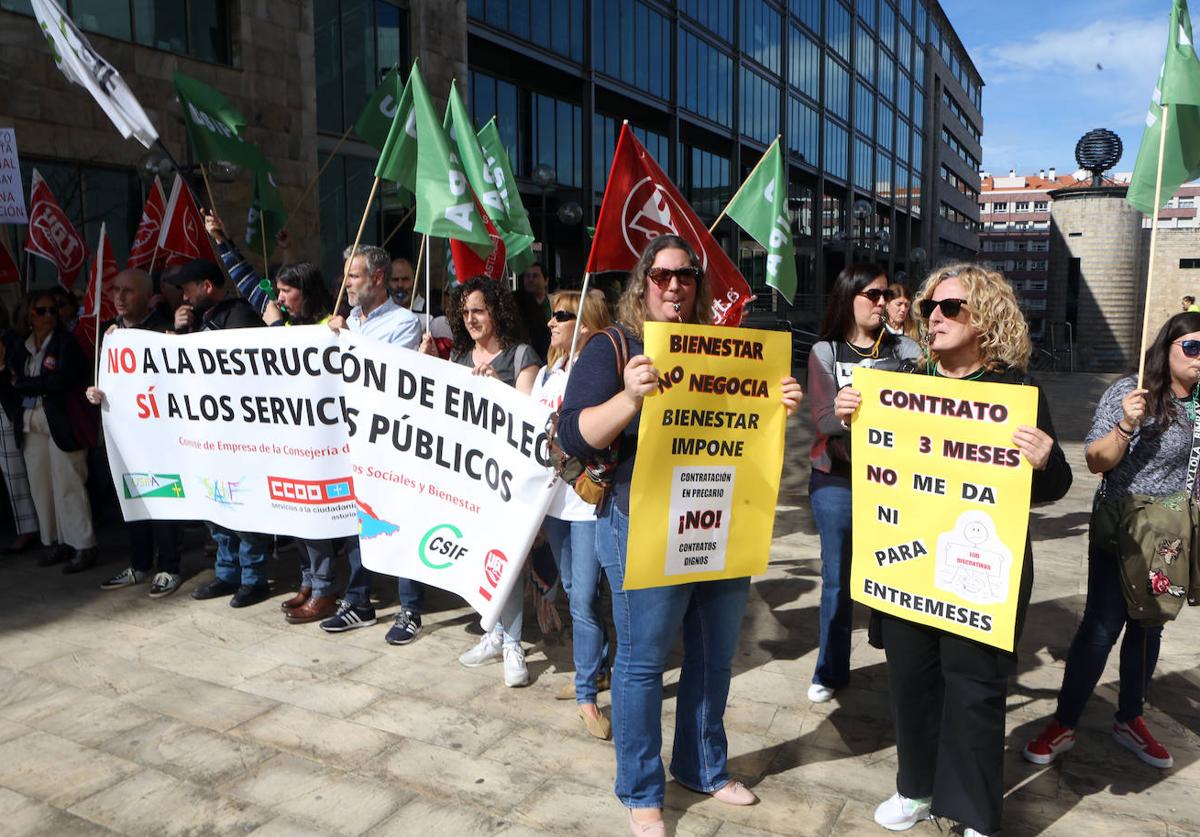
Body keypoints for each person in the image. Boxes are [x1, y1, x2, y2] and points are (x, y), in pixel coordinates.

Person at [557, 235, 803, 835]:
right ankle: (641, 790)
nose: (675, 286)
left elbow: (745, 425)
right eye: (663, 275)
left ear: (699, 285)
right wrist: (629, 397)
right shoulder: (610, 346)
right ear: (643, 283)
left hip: (722, 519)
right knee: (642, 664)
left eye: (686, 276)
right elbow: (572, 435)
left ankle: (701, 768)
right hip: (641, 518)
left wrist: (779, 403)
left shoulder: (728, 349)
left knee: (715, 657)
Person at [834, 263, 1072, 836]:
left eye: (950, 308)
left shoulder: (1016, 392)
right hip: (908, 567)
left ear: (984, 319)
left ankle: (971, 811)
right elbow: (876, 467)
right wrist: (850, 425)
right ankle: (915, 788)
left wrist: (1047, 459)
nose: (933, 318)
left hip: (979, 571)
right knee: (911, 685)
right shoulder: (899, 382)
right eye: (928, 308)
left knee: (974, 691)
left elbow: (1052, 488)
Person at [1023, 311, 1200, 772]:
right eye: (1193, 347)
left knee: (1150, 627)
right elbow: (1095, 461)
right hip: (1121, 527)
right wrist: (1125, 425)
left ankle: (1130, 717)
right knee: (1102, 627)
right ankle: (1063, 721)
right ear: (1167, 348)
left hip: (1171, 535)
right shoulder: (1131, 391)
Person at [805, 265, 920, 704]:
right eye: (872, 295)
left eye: (885, 294)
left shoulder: (907, 349)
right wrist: (842, 411)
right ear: (849, 297)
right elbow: (822, 419)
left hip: (893, 480)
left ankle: (897, 659)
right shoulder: (826, 351)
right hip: (837, 478)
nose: (881, 302)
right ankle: (829, 669)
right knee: (837, 578)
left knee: (897, 570)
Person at [323, 244, 425, 644]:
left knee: (398, 520)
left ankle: (411, 608)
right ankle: (359, 602)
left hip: (391, 442)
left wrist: (346, 339)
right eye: (347, 277)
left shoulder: (404, 322)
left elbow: (386, 374)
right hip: (351, 440)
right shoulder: (347, 321)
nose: (346, 284)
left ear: (377, 279)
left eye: (354, 276)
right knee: (358, 520)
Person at [446, 275, 542, 686]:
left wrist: (495, 388)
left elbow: (528, 417)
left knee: (510, 561)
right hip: (472, 478)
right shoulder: (459, 359)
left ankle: (513, 645)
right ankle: (495, 632)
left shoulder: (522, 356)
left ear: (496, 310)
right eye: (465, 312)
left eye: (478, 310)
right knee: (483, 554)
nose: (471, 319)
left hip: (510, 480)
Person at [167, 259, 275, 608]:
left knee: (242, 505)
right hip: (206, 435)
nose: (183, 296)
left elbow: (233, 370)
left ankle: (253, 578)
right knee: (213, 504)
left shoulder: (239, 316)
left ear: (207, 287)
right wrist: (180, 336)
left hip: (239, 436)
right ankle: (226, 572)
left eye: (187, 288)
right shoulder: (199, 321)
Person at [532, 290, 615, 737]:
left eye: (560, 316)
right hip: (553, 503)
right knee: (571, 591)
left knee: (583, 598)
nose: (551, 323)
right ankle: (595, 671)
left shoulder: (596, 372)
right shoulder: (550, 371)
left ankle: (587, 696)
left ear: (586, 323)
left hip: (585, 502)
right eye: (551, 316)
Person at [86, 270, 183, 597]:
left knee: (163, 498)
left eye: (128, 291)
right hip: (124, 436)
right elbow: (108, 381)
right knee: (134, 498)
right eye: (116, 290)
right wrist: (96, 392)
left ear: (145, 295)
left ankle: (169, 566)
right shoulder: (109, 334)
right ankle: (140, 564)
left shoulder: (162, 329)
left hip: (160, 434)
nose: (119, 297)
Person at [0, 290, 97, 573]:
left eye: (53, 310)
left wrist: (24, 384)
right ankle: (55, 541)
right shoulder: (20, 345)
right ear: (29, 314)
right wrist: (8, 372)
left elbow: (61, 381)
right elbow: (9, 385)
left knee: (68, 482)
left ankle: (83, 544)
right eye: (41, 311)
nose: (49, 316)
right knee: (42, 487)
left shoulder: (66, 342)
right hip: (30, 422)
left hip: (61, 421)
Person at [0, 302, 40, 555]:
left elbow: (16, 381)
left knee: (13, 470)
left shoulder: (11, 341)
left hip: (6, 409)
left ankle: (28, 528)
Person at [517, 261, 553, 361]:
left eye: (535, 276)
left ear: (546, 281)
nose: (530, 279)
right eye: (527, 276)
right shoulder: (515, 304)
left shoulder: (555, 304)